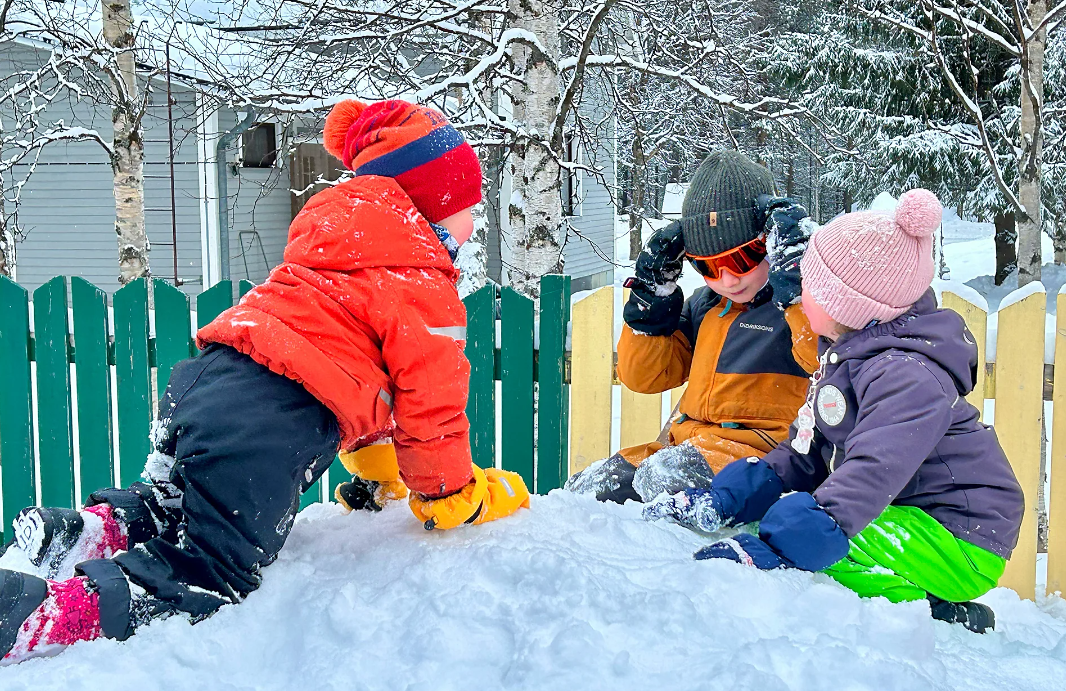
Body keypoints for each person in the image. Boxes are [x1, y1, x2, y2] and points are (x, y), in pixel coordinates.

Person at [0, 98, 529, 663]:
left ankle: (82, 531)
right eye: (465, 207)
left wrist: (380, 473)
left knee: (176, 502)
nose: (473, 225)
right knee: (207, 568)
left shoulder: (335, 247)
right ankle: (43, 616)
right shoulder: (420, 278)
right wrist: (449, 494)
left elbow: (357, 382)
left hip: (204, 379)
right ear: (427, 207)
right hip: (267, 420)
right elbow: (431, 406)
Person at [644, 189, 1024, 633]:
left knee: (825, 550)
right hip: (906, 513)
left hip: (960, 536)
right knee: (793, 527)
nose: (798, 298)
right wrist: (736, 494)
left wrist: (788, 545)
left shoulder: (907, 375)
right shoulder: (846, 355)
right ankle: (918, 592)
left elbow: (872, 470)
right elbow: (807, 448)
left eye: (810, 289)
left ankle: (934, 610)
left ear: (851, 306)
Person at [565, 150, 819, 503]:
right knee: (583, 491)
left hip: (764, 458)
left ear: (771, 245)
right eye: (710, 267)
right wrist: (652, 299)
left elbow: (824, 358)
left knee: (663, 479)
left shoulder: (800, 309)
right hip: (684, 447)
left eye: (742, 258)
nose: (728, 280)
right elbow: (645, 377)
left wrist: (802, 284)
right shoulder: (705, 305)